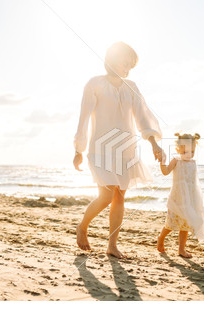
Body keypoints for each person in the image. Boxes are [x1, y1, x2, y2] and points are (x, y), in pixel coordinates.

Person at [73, 41, 165, 259]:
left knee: (119, 196)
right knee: (106, 195)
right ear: (113, 59)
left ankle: (112, 245)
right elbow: (83, 117)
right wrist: (79, 149)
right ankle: (83, 226)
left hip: (126, 149)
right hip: (100, 148)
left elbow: (143, 117)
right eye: (126, 63)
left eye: (131, 66)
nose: (128, 69)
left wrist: (154, 143)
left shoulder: (132, 87)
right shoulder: (94, 83)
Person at [157, 133, 204, 258]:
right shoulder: (176, 160)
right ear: (178, 149)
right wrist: (162, 162)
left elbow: (194, 182)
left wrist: (196, 199)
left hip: (190, 198)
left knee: (185, 225)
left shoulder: (193, 163)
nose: (189, 155)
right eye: (185, 152)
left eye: (192, 152)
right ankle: (161, 238)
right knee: (171, 223)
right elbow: (166, 172)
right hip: (177, 198)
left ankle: (181, 249)